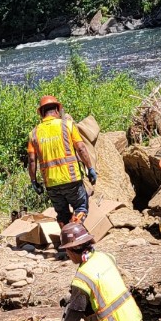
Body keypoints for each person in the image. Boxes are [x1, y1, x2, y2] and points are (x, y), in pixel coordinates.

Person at [53, 222, 144, 321]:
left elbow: (75, 312)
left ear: (70, 250)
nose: (68, 256)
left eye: (67, 251)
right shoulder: (105, 257)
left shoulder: (82, 278)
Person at [26, 95, 96, 226]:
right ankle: (77, 240)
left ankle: (66, 241)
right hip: (71, 179)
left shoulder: (34, 133)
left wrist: (34, 181)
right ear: (57, 110)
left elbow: (31, 160)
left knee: (62, 215)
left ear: (41, 113)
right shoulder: (67, 125)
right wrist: (90, 168)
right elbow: (81, 148)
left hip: (51, 182)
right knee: (81, 208)